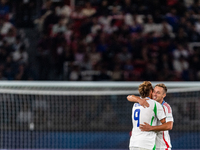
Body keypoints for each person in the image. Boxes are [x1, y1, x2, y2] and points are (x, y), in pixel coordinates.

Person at [127, 83, 174, 150]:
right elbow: (129, 97)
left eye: (158, 93)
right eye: (154, 92)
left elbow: (169, 126)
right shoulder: (146, 103)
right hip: (150, 144)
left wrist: (151, 128)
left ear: (164, 95)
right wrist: (139, 100)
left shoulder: (165, 107)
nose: (155, 94)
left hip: (162, 145)